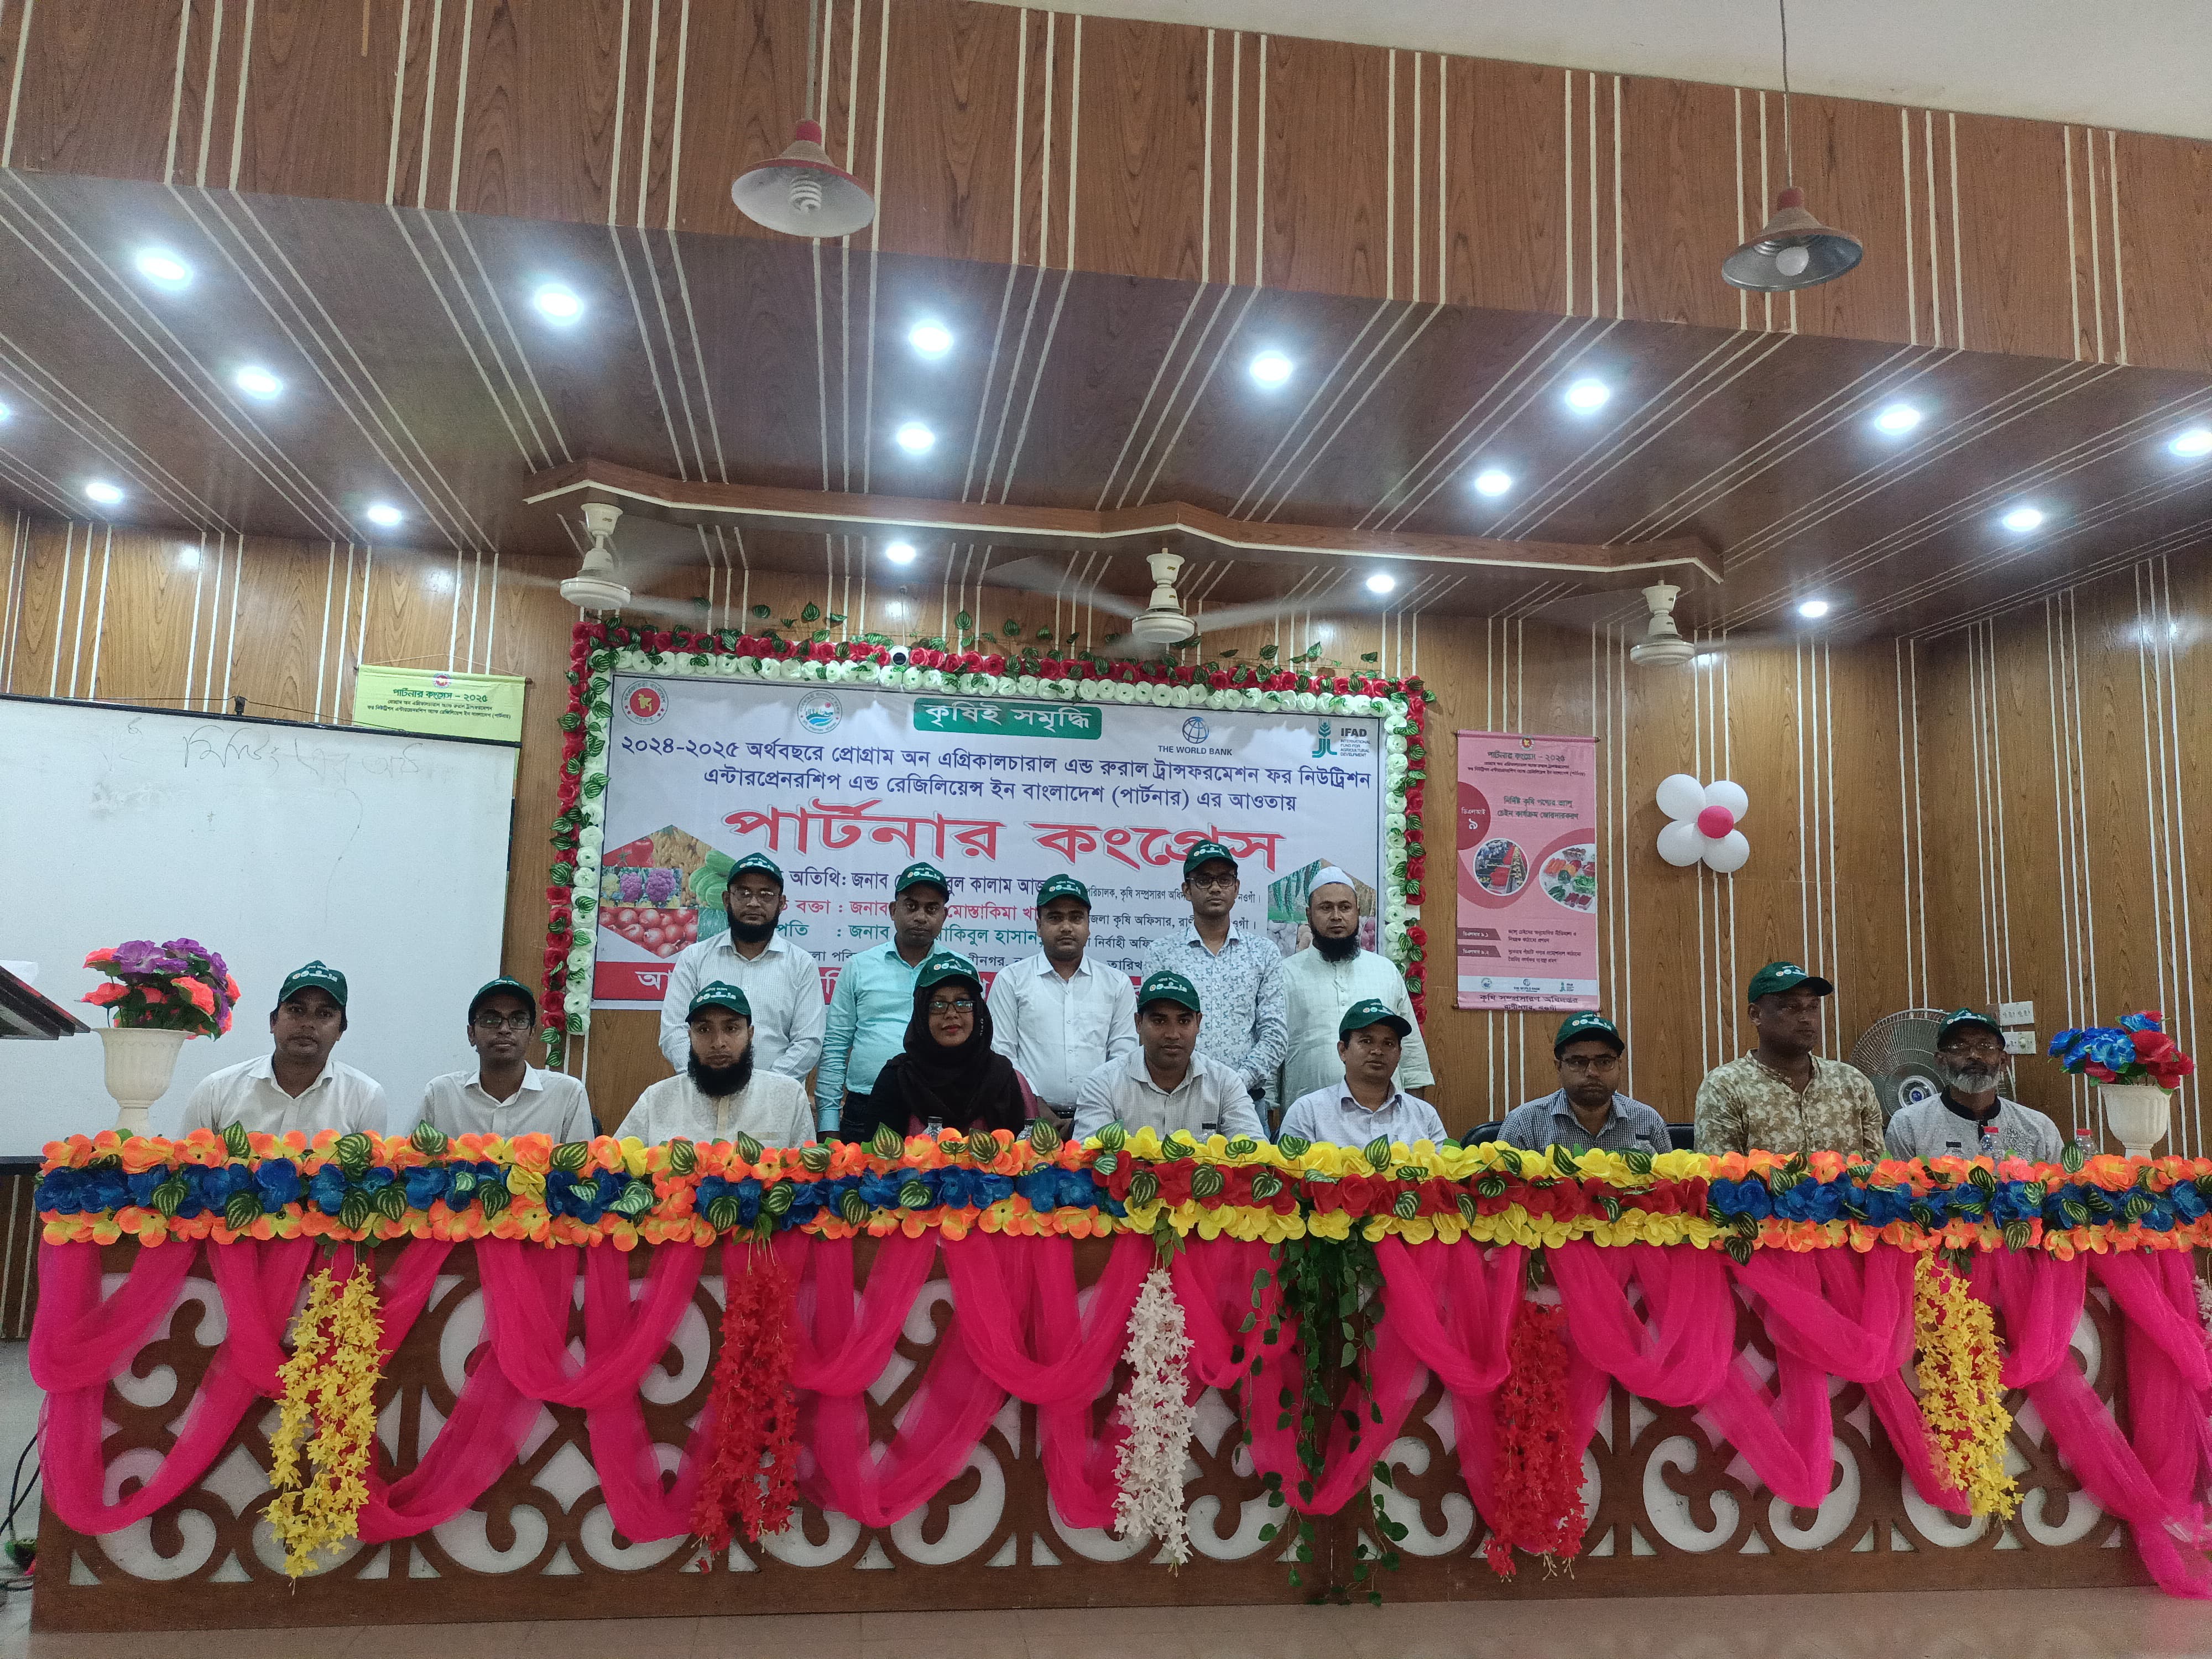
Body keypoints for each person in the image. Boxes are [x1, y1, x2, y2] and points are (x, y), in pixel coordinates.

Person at [1139, 840, 1287, 1121]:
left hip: (1245, 1101)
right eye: (1204, 880)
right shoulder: (1162, 953)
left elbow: (1275, 1035)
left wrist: (1234, 1085)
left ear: (1236, 888)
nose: (1216, 888)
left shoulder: (1263, 952)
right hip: (1176, 1101)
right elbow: (1152, 1030)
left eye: (1224, 879)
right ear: (1187, 889)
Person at [657, 852, 825, 1085]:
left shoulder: (801, 965)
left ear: (781, 903)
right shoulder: (694, 958)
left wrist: (763, 1089)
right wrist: (705, 1080)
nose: (754, 902)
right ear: (727, 900)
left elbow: (808, 1041)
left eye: (766, 894)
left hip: (775, 1097)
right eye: (743, 893)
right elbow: (674, 1032)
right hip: (704, 1092)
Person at [985, 875, 1137, 1126]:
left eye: (1076, 918)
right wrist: (1035, 1104)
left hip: (1100, 1117)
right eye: (1055, 918)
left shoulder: (1117, 984)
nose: (1066, 927)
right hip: (1025, 1117)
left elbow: (1123, 1057)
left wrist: (1091, 1112)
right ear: (1039, 925)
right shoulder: (1011, 980)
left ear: (1089, 925)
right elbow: (1002, 1054)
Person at [1693, 961, 1885, 1158]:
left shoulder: (1853, 1083)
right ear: (1756, 1014)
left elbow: (1879, 1172)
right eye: (1792, 1007)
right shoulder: (1725, 1087)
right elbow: (1720, 1174)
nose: (1807, 1018)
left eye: (1813, 1007)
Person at [1277, 867, 1433, 1107]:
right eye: (1326, 908)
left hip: (1385, 1117)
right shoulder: (1285, 974)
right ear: (1309, 915)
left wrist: (1414, 1118)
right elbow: (1273, 1052)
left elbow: (1412, 1059)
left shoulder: (1385, 971)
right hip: (1309, 1117)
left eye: (1345, 907)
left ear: (1358, 912)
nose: (1336, 916)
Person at [816, 861, 951, 1136]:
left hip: (941, 1107)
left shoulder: (957, 970)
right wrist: (828, 1123)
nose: (921, 917)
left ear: (944, 915)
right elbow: (836, 1047)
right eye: (911, 906)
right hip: (866, 1107)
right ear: (893, 910)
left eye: (931, 909)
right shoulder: (859, 967)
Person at [179, 961, 388, 1138]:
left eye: (324, 1014)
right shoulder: (216, 1090)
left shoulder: (365, 1097)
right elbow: (186, 1168)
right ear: (273, 1021)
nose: (307, 1023)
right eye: (296, 1010)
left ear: (341, 1030)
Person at [856, 953, 1036, 1140]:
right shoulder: (898, 1078)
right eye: (938, 1004)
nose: (951, 1014)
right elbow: (877, 1154)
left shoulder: (1004, 1077)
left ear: (978, 1012)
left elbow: (1029, 1152)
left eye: (962, 1003)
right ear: (922, 1014)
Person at [1073, 971, 1266, 1141]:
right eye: (1159, 1021)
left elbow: (1255, 1154)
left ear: (1198, 1023)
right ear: (1138, 1023)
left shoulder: (1224, 1083)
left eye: (1184, 1021)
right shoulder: (1104, 1083)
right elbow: (1088, 1160)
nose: (1173, 1034)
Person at [615, 982, 813, 1145]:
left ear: (750, 1034)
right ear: (690, 1036)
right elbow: (614, 1169)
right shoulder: (657, 1099)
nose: (718, 1043)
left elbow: (807, 1176)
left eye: (731, 1028)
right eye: (704, 1030)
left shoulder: (789, 1096)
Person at [420, 977, 597, 1141]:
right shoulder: (441, 1094)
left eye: (518, 1020)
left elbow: (581, 1165)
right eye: (490, 1020)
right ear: (471, 1033)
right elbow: (410, 1161)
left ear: (532, 1034)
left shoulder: (567, 1094)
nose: (504, 1029)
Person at [1884, 1008, 2063, 1162]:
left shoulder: (2039, 1128)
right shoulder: (1909, 1125)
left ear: (2003, 1060)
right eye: (1959, 1046)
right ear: (1941, 1060)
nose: (1974, 1055)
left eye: (1985, 1046)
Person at [1279, 999, 1448, 1147]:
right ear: (1343, 1050)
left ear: (1399, 1054)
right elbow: (1290, 1173)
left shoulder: (1424, 1116)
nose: (1377, 1051)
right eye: (1366, 1041)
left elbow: (1444, 1173)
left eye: (1388, 1044)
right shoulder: (1307, 1112)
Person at [1498, 1013, 1672, 1156]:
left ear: (1619, 1065)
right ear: (1559, 1067)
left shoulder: (1648, 1121)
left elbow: (1669, 1186)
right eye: (1578, 1062)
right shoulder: (1524, 1124)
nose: (1592, 1072)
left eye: (1604, 1061)